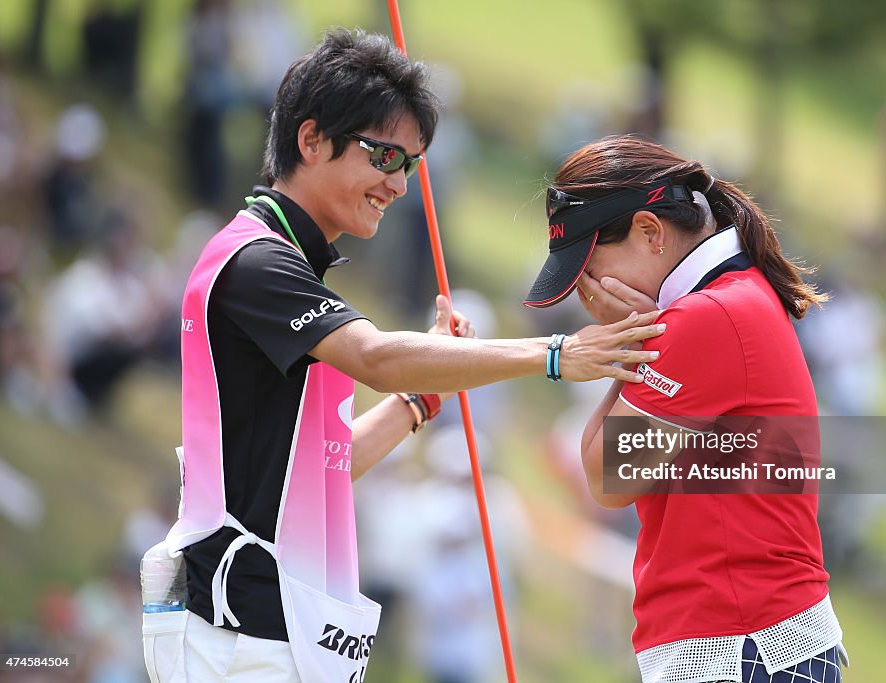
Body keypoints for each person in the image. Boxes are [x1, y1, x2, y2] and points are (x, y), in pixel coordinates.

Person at [143, 30, 665, 683]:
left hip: (275, 632)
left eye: (410, 164)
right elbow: (377, 355)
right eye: (384, 154)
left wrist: (418, 402)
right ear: (310, 141)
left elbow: (324, 465)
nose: (397, 183)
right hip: (239, 635)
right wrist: (556, 353)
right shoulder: (258, 261)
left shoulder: (283, 263)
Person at [525, 135, 847, 682]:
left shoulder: (705, 317)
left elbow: (606, 479)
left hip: (744, 645)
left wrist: (628, 338)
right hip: (755, 642)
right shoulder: (725, 299)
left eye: (590, 268)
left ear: (650, 232)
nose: (588, 290)